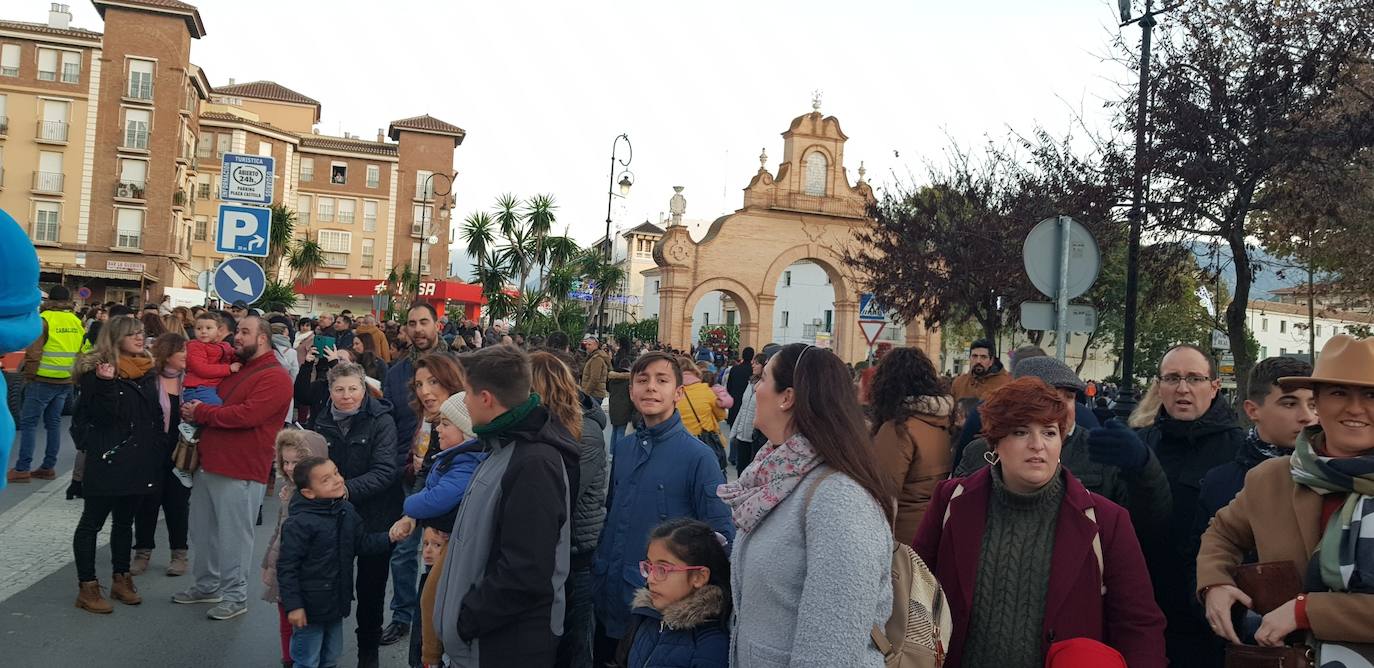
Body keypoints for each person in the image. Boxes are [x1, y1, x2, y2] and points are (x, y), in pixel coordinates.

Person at [914, 377, 1166, 667]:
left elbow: (1139, 625)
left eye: (1049, 433)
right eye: (1021, 432)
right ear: (995, 441)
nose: (1037, 445)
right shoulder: (950, 501)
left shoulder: (1106, 521)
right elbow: (914, 597)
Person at [1199, 334, 1374, 655]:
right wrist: (1215, 583)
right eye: (1338, 393)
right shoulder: (1272, 478)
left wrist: (1305, 611)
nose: (1355, 408)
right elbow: (1222, 534)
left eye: (1371, 395)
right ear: (1318, 402)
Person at [719, 343, 892, 667]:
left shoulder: (839, 501)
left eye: (765, 379)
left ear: (787, 396)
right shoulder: (774, 474)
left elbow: (832, 650)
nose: (756, 388)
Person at [433, 344, 580, 667]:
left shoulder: (533, 462)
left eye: (467, 392)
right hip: (488, 642)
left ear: (486, 398)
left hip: (503, 645)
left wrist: (467, 620)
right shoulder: (503, 447)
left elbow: (525, 570)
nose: (464, 402)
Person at [592, 352, 735, 664]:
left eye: (662, 380)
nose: (651, 388)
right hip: (609, 597)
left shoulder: (698, 457)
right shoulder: (626, 448)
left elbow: (721, 536)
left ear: (678, 393)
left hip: (660, 610)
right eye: (642, 380)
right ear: (630, 391)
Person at [954, 356, 1173, 535]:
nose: (1063, 407)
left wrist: (1144, 468)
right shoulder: (979, 451)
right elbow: (955, 520)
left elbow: (1147, 523)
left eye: (1068, 397)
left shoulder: (1099, 453)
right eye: (1049, 396)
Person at [175, 315, 293, 621]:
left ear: (263, 338)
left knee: (234, 537)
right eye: (237, 331)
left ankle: (235, 595)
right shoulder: (239, 369)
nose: (235, 337)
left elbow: (245, 415)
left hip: (241, 469)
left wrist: (203, 412)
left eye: (244, 332)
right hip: (210, 463)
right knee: (204, 532)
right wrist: (194, 410)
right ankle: (206, 585)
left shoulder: (275, 376)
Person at [1133, 344, 1244, 665]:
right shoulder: (1140, 444)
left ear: (1214, 386)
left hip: (1209, 619)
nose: (1182, 388)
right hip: (1145, 609)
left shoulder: (1240, 451)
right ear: (1159, 386)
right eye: (1172, 378)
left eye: (1194, 378)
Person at [69, 315, 164, 614]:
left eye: (142, 333)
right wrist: (107, 384)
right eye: (132, 334)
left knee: (125, 523)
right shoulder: (97, 373)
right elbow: (100, 418)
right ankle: (87, 587)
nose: (140, 338)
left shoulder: (147, 370)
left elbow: (153, 417)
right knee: (92, 523)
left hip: (139, 459)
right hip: (109, 459)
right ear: (115, 338)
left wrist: (157, 450)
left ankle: (121, 579)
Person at [311, 362, 400, 668]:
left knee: (371, 591)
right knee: (329, 586)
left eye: (353, 389)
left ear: (364, 388)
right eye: (339, 389)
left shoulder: (381, 419)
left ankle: (368, 653)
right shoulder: (321, 420)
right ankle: (320, 652)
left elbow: (386, 470)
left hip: (376, 515)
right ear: (330, 391)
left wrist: (343, 490)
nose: (347, 396)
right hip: (332, 518)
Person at [388, 393, 483, 668]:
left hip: (451, 542)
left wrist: (409, 504)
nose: (438, 429)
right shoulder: (456, 456)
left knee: (431, 598)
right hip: (441, 536)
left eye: (445, 424)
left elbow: (434, 498)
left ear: (466, 430)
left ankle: (429, 658)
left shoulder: (465, 462)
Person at [528, 351, 609, 668]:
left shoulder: (585, 433)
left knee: (574, 647)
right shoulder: (545, 426)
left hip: (577, 555)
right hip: (551, 552)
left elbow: (561, 498)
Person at [277, 456, 395, 668]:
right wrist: (294, 606)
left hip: (335, 604)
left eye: (336, 472)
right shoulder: (299, 524)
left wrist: (391, 537)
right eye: (326, 480)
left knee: (331, 657)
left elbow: (362, 543)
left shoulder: (346, 511)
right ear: (308, 493)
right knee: (307, 660)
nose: (337, 480)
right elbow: (287, 569)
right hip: (309, 610)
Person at [380, 303, 451, 647]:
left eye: (424, 322)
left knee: (441, 548)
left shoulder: (456, 366)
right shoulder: (395, 374)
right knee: (404, 549)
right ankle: (402, 615)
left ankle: (434, 614)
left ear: (437, 325)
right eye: (412, 323)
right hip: (409, 473)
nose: (419, 329)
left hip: (447, 474)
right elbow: (391, 423)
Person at [1197, 356, 1315, 527]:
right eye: (1290, 404)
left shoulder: (1337, 476)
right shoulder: (1220, 483)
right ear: (1252, 410)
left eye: (1313, 405)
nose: (1307, 417)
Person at [616, 518, 730, 668]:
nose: (650, 579)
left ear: (699, 577)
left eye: (662, 569)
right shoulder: (647, 617)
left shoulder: (711, 646)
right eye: (649, 567)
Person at [868, 347, 952, 545]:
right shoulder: (941, 423)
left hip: (901, 537)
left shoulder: (898, 430)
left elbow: (883, 494)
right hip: (932, 529)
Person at [261, 428, 330, 668]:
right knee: (285, 617)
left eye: (296, 462)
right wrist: (266, 563)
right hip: (285, 569)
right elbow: (278, 531)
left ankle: (306, 659)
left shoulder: (319, 498)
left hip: (307, 573)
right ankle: (289, 660)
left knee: (307, 624)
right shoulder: (288, 492)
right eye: (285, 462)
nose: (290, 468)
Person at [130, 333, 193, 578]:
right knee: (147, 502)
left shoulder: (190, 382)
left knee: (178, 504)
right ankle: (142, 552)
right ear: (168, 354)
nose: (187, 356)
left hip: (182, 452)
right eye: (182, 352)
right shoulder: (149, 380)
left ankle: (179, 554)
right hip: (152, 450)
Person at [9, 284, 85, 482]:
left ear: (49, 300)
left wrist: (29, 376)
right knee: (53, 423)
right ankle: (48, 467)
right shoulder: (76, 321)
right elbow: (80, 352)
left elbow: (34, 352)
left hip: (42, 379)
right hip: (65, 380)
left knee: (29, 423)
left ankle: (22, 468)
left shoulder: (44, 319)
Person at [674, 356, 731, 471]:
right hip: (704, 441)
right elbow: (721, 416)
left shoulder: (671, 392)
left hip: (679, 442)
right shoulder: (705, 390)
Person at [727, 352, 768, 478]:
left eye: (756, 363)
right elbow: (742, 409)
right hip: (742, 435)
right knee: (741, 468)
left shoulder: (766, 387)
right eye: (753, 363)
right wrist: (734, 430)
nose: (753, 366)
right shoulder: (750, 383)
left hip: (755, 436)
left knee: (752, 472)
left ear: (764, 366)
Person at [950, 338, 1010, 402]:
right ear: (969, 358)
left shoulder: (1006, 384)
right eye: (974, 356)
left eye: (983, 357)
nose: (978, 361)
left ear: (991, 361)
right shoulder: (959, 383)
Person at [608, 335, 637, 447]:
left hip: (614, 403)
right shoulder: (630, 356)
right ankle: (618, 452)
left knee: (615, 430)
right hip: (624, 406)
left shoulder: (617, 356)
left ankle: (611, 452)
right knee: (621, 430)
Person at [725, 347, 754, 426]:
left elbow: (728, 386)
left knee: (733, 426)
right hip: (748, 402)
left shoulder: (734, 369)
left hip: (735, 400)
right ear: (752, 357)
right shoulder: (753, 370)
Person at [581, 336, 611, 402]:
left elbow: (594, 378)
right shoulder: (593, 357)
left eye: (589, 344)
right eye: (586, 344)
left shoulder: (597, 359)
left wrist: (585, 393)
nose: (587, 346)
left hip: (594, 394)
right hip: (594, 393)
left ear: (596, 345)